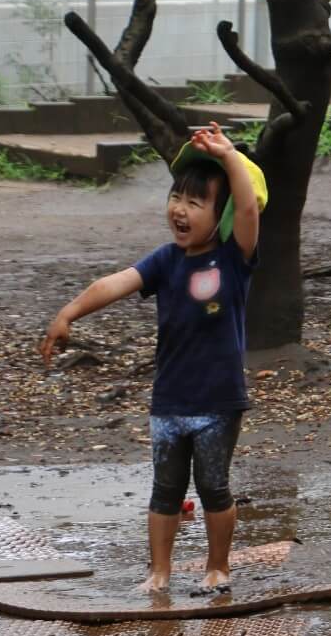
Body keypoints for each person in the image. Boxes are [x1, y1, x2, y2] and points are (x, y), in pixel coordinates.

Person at [39, 125, 267, 593]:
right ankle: (158, 573)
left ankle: (218, 567)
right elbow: (116, 283)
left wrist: (228, 156)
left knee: (213, 487)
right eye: (175, 198)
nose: (180, 210)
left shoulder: (233, 259)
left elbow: (247, 206)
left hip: (218, 402)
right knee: (164, 491)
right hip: (169, 400)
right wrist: (70, 311)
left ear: (221, 216)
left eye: (195, 203)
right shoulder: (166, 260)